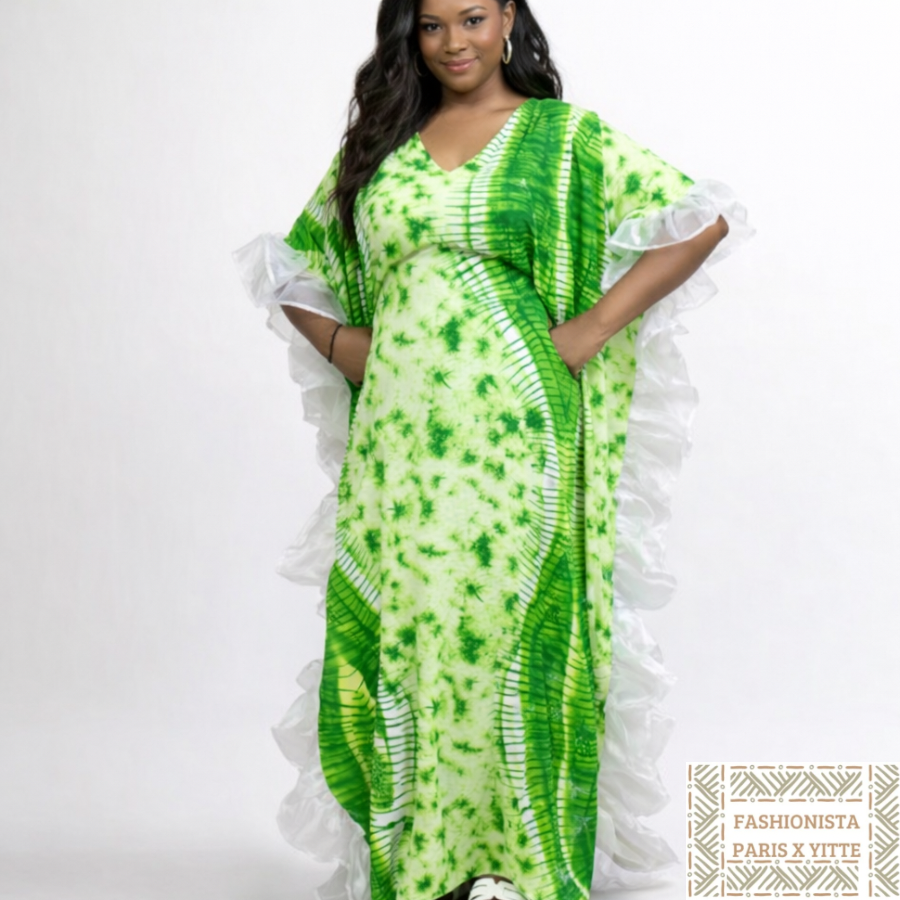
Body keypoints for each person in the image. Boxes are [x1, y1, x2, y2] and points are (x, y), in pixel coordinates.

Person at [232, 1, 754, 899]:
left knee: (507, 632)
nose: (454, 43)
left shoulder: (562, 138)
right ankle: (427, 864)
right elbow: (295, 263)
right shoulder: (383, 147)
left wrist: (590, 329)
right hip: (399, 440)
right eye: (431, 25)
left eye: (472, 18)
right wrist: (344, 344)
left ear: (509, 17)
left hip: (518, 428)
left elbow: (700, 219)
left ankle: (521, 865)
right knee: (414, 632)